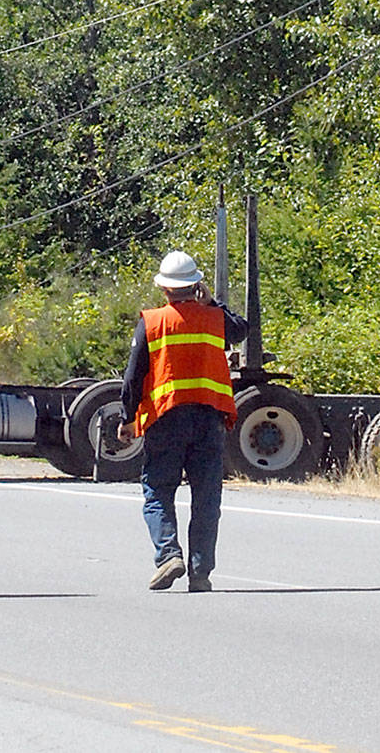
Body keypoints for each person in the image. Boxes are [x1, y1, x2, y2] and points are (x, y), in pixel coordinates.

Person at [121, 249, 247, 593]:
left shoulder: (152, 321)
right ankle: (200, 572)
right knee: (206, 498)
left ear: (164, 289)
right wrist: (212, 303)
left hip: (166, 418)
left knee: (159, 491)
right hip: (209, 418)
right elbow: (241, 330)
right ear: (196, 286)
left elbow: (134, 376)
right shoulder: (214, 319)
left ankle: (168, 556)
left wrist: (127, 418)